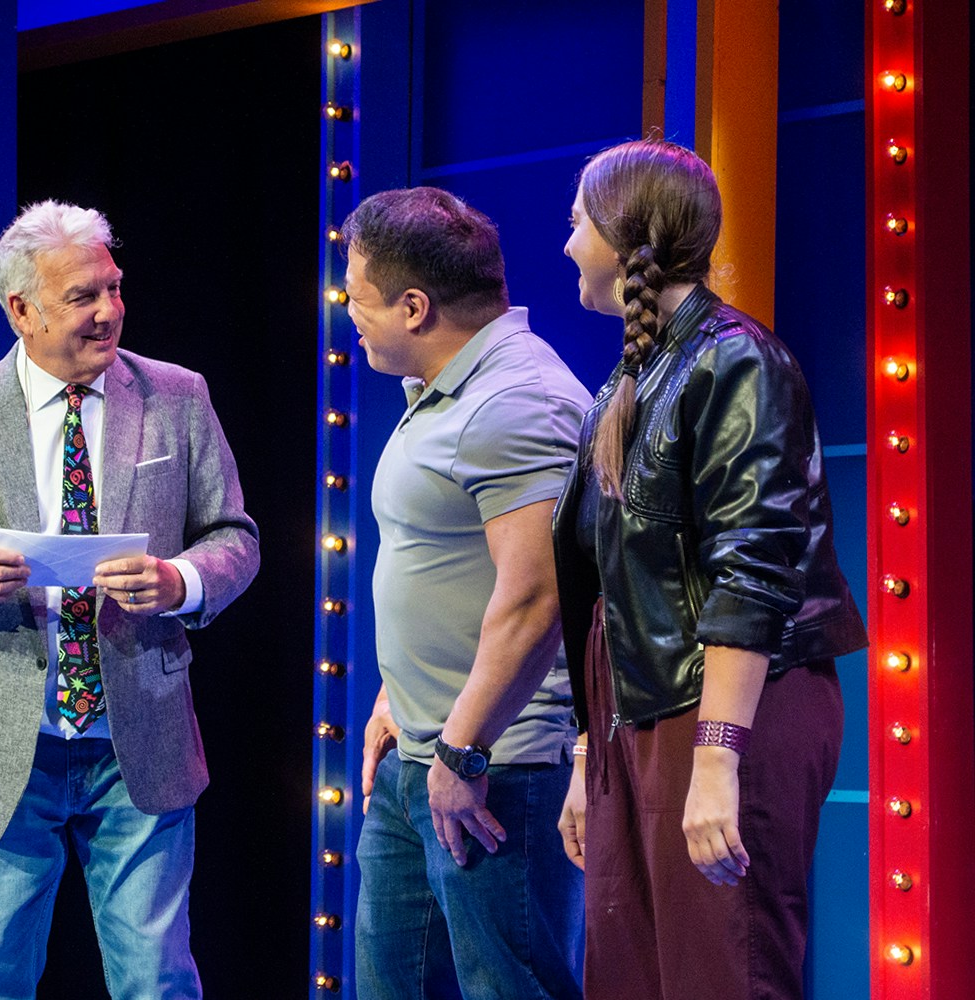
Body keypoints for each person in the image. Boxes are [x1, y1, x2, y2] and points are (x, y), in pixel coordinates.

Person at [0, 200, 259, 1000]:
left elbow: (235, 536)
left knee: (157, 982)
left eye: (114, 288)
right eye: (84, 296)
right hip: (1, 755)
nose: (109, 311)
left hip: (139, 745)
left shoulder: (176, 397)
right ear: (22, 309)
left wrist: (179, 582)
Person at [552, 139, 867, 999]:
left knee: (725, 972)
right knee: (633, 975)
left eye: (577, 221)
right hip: (640, 717)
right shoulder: (626, 383)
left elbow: (753, 570)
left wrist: (719, 756)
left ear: (624, 234)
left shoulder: (736, 360)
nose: (567, 242)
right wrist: (590, 758)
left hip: (728, 710)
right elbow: (607, 591)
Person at [344, 187, 588, 1000]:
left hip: (493, 771)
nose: (352, 316)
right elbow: (448, 566)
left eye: (359, 299)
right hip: (423, 752)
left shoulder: (513, 402)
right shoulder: (443, 390)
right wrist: (397, 693)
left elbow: (538, 599)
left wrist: (464, 746)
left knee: (507, 989)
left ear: (414, 306)